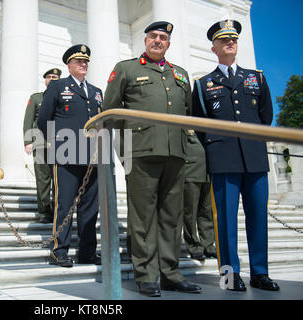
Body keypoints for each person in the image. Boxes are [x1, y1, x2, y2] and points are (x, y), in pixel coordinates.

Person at [102, 21, 201, 296]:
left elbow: (187, 115)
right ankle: (146, 274)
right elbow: (109, 112)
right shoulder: (127, 68)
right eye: (154, 36)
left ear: (168, 43)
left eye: (163, 38)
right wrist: (126, 151)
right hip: (142, 153)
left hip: (176, 153)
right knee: (143, 216)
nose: (158, 41)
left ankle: (170, 272)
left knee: (172, 216)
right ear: (145, 40)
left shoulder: (180, 74)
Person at [192, 19, 279, 291]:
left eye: (234, 39)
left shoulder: (257, 77)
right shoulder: (204, 84)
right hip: (223, 161)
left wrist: (251, 142)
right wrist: (217, 146)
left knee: (258, 219)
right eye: (224, 39)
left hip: (254, 158)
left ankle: (260, 273)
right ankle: (230, 276)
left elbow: (266, 116)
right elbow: (199, 124)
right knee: (226, 222)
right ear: (214, 48)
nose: (231, 42)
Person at [37, 44, 103, 268]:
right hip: (65, 155)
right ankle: (59, 251)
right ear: (69, 65)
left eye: (85, 61)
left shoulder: (96, 92)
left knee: (90, 208)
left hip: (92, 157)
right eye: (78, 61)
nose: (83, 64)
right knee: (64, 205)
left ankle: (87, 252)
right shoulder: (58, 86)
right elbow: (43, 119)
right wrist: (58, 145)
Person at [23, 68, 61, 223]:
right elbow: (28, 119)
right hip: (40, 143)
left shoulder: (63, 98)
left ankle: (59, 210)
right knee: (43, 178)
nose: (52, 79)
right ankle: (44, 211)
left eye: (55, 77)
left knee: (59, 179)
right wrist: (27, 141)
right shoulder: (36, 97)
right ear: (45, 80)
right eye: (49, 77)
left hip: (60, 144)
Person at [182, 129, 217, 260]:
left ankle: (208, 244)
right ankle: (193, 245)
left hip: (208, 169)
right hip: (190, 169)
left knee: (206, 211)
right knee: (189, 212)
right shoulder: (183, 118)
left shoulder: (204, 119)